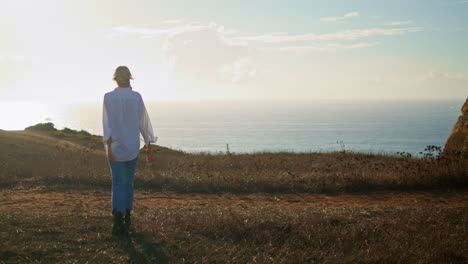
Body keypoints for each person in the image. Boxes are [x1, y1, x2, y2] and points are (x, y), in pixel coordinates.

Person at [102, 65, 157, 236]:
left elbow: (107, 125)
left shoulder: (108, 98)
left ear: (115, 78)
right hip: (133, 146)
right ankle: (127, 216)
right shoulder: (136, 97)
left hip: (116, 148)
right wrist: (148, 143)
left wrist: (109, 148)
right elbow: (143, 122)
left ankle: (117, 220)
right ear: (130, 78)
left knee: (118, 183)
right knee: (128, 183)